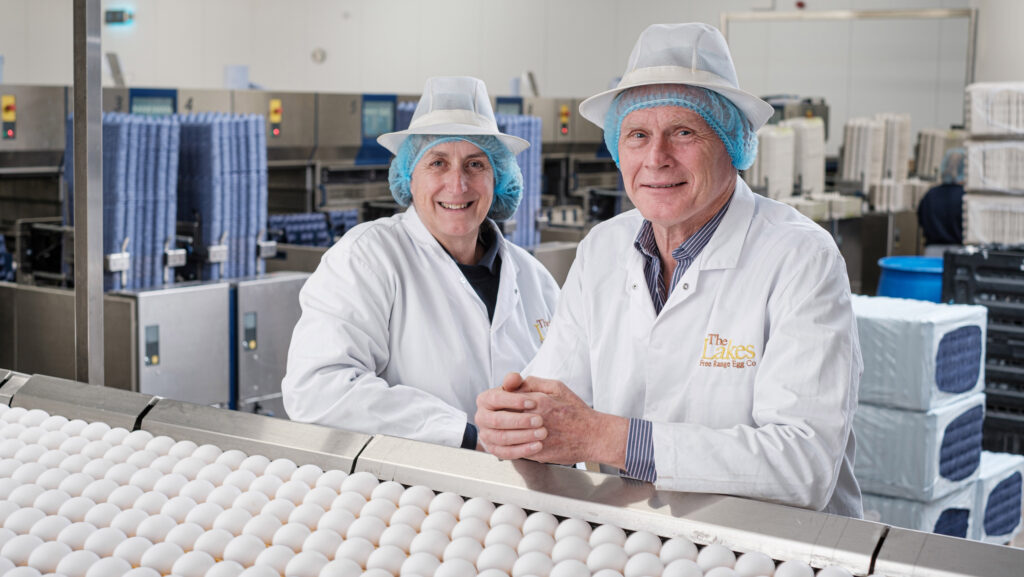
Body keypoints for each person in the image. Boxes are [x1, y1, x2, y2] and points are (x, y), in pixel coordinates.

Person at [475, 23, 863, 517]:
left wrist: (604, 437)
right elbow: (557, 385)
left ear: (732, 142)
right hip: (637, 534)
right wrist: (515, 418)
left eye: (683, 132)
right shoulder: (603, 248)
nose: (656, 158)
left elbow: (803, 466)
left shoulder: (801, 257)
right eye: (637, 135)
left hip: (774, 547)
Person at [283, 77, 559, 450]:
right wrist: (463, 436)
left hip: (527, 496)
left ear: (499, 178)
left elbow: (568, 392)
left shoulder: (534, 279)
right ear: (409, 177)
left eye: (475, 164)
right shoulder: (367, 257)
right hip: (408, 495)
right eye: (438, 163)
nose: (457, 184)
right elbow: (317, 389)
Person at [918, 147, 966, 252]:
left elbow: (921, 220)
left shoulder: (930, 195)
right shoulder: (965, 197)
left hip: (931, 253)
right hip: (958, 254)